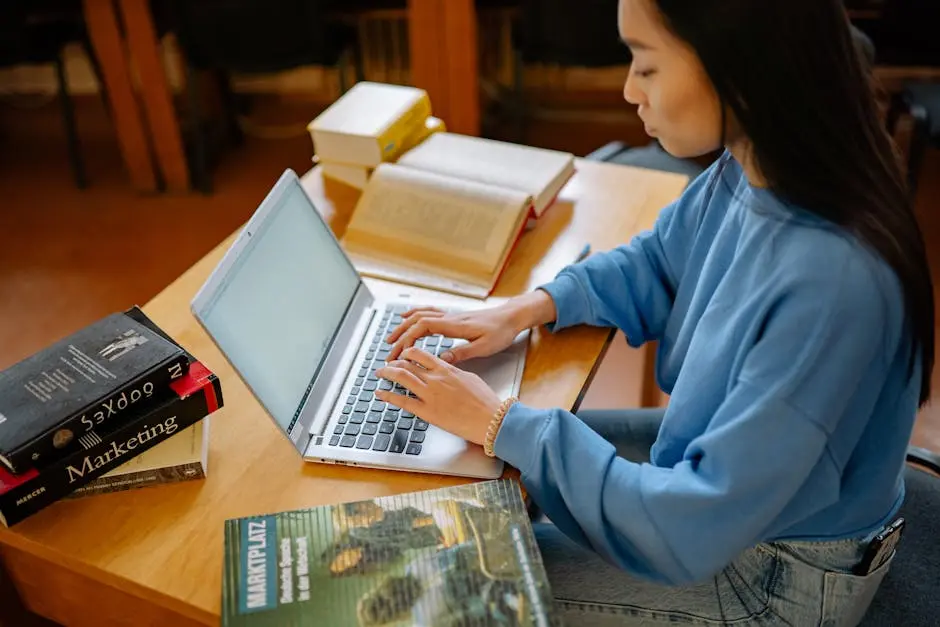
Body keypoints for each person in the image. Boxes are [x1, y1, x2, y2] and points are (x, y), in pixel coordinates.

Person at [374, 0, 935, 624]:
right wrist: (531, 308)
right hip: (724, 501)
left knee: (451, 588)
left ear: (737, 69)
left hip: (774, 576)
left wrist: (502, 422)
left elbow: (690, 527)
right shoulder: (762, 163)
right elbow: (662, 264)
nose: (627, 90)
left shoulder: (832, 284)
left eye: (645, 66)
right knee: (483, 469)